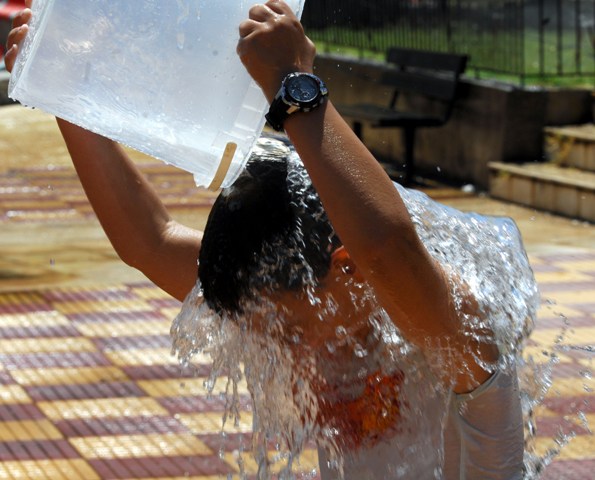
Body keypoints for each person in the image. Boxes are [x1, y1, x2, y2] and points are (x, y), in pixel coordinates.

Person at [6, 1, 535, 478]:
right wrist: (65, 88)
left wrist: (292, 83)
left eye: (285, 332)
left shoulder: (454, 333)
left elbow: (391, 252)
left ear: (349, 269)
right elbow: (151, 241)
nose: (273, 348)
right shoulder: (284, 294)